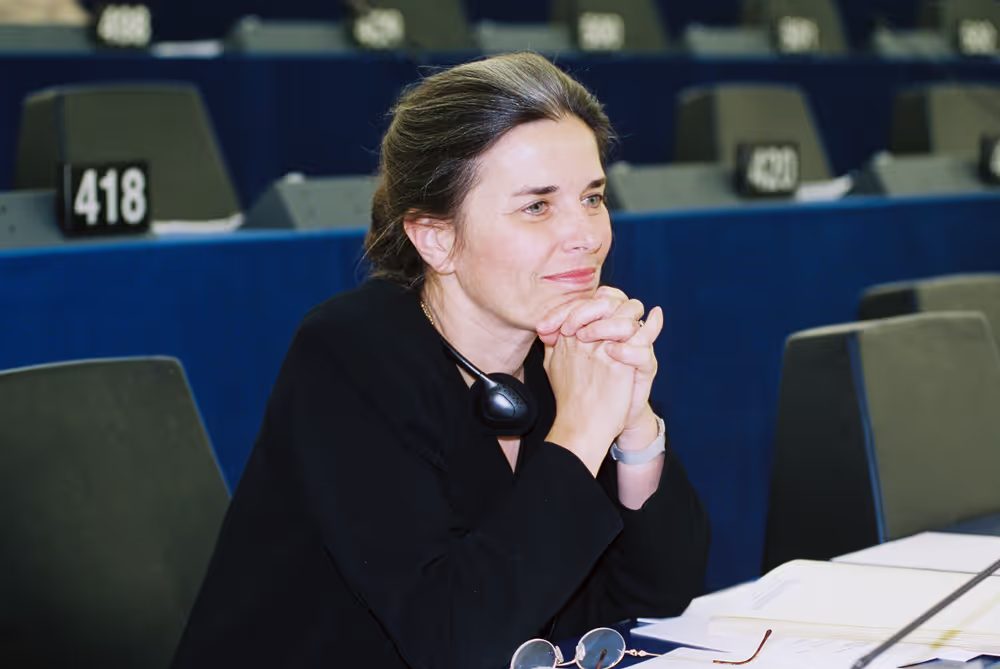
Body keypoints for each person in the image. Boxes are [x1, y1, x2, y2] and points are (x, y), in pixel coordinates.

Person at [171, 52, 709, 669]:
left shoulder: (562, 348)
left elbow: (660, 592)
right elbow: (453, 639)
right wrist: (582, 430)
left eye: (591, 197)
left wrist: (634, 425)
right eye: (537, 206)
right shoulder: (349, 356)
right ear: (436, 238)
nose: (585, 234)